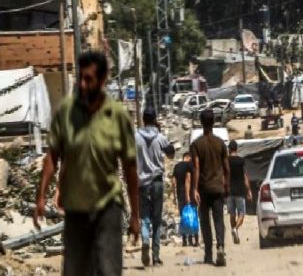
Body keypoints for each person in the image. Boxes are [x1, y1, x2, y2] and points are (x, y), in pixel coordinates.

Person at [34, 51, 140, 276]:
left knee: (107, 270)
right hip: (75, 210)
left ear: (102, 81)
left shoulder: (117, 116)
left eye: (89, 79)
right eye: (80, 78)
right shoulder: (66, 113)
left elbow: (130, 168)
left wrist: (135, 215)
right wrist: (41, 197)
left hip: (107, 207)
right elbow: (53, 156)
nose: (82, 84)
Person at [136, 109, 174, 267]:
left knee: (144, 217)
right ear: (155, 119)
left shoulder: (136, 137)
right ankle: (156, 257)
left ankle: (145, 240)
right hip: (157, 182)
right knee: (157, 221)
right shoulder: (161, 138)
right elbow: (171, 154)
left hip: (142, 183)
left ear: (143, 120)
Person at [191, 109, 228, 266]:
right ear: (213, 122)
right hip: (218, 188)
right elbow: (227, 168)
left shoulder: (196, 144)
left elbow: (196, 168)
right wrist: (227, 185)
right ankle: (220, 246)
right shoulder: (220, 143)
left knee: (205, 223)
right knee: (219, 220)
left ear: (201, 122)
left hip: (204, 189)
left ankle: (208, 254)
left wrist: (194, 189)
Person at [226, 140, 252, 245]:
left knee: (232, 214)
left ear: (229, 149)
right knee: (241, 213)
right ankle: (235, 229)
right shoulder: (241, 161)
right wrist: (249, 190)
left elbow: (224, 176)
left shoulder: (226, 161)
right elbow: (245, 177)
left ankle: (234, 231)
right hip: (240, 191)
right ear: (236, 149)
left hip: (229, 192)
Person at [172, 150, 197, 247]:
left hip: (179, 195)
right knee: (192, 215)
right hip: (190, 194)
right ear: (188, 157)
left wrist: (174, 196)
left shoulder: (176, 166)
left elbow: (173, 182)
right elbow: (189, 179)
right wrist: (189, 195)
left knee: (183, 217)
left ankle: (184, 240)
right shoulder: (190, 165)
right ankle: (192, 239)